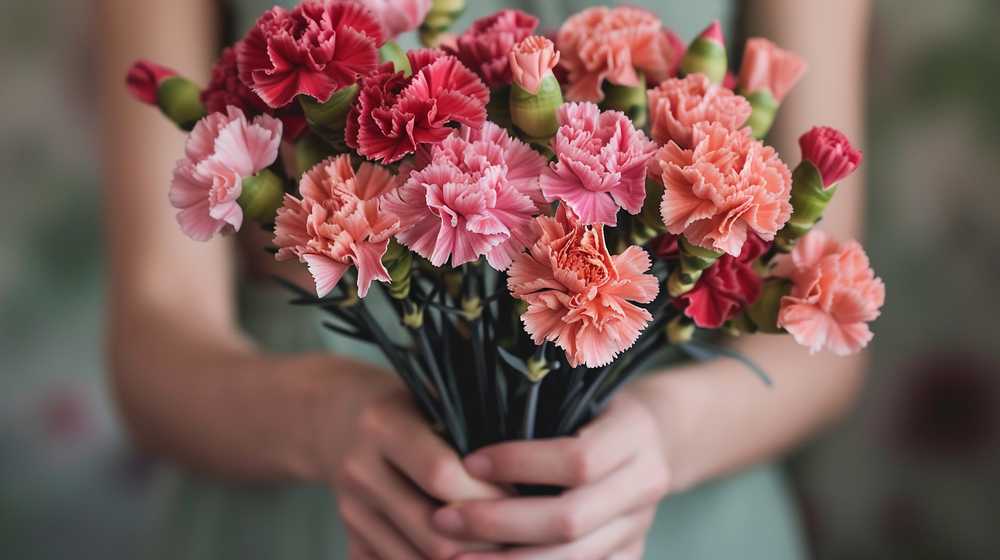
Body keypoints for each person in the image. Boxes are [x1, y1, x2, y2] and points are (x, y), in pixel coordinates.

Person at [98, 0, 871, 558]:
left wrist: (663, 438)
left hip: (677, 520)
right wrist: (325, 423)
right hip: (299, 515)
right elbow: (154, 334)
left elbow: (826, 323)